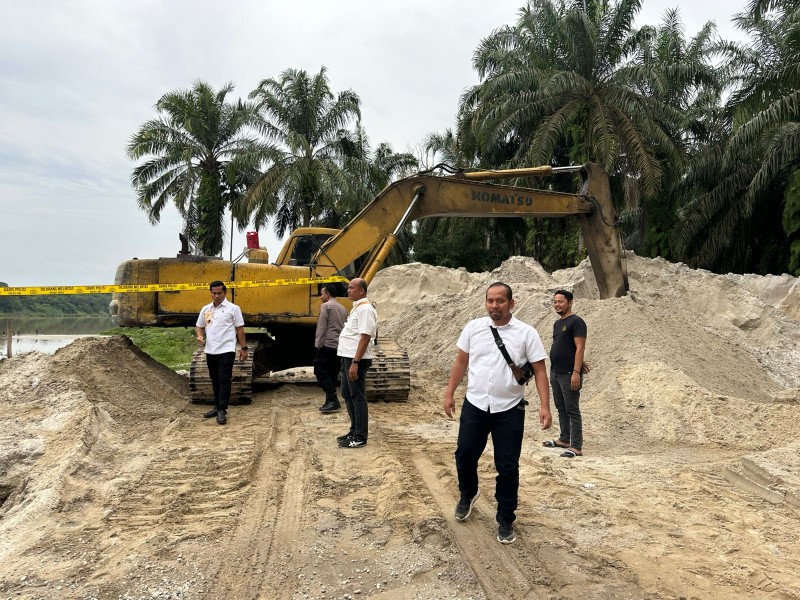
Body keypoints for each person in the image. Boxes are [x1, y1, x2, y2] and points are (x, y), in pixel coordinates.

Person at [443, 282, 551, 544]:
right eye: (490, 300)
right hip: (475, 405)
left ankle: (505, 518)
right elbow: (461, 362)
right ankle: (468, 493)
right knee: (465, 454)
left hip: (509, 410)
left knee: (507, 466)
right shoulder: (473, 328)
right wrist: (449, 393)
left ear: (511, 303)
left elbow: (539, 370)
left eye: (500, 301)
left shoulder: (527, 333)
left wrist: (545, 406)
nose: (494, 305)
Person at [195, 280, 248, 425]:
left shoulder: (233, 309)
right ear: (210, 293)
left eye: (219, 293)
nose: (216, 296)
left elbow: (240, 329)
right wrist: (200, 335)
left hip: (227, 349)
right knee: (215, 378)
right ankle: (217, 406)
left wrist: (244, 348)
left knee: (224, 378)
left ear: (225, 293)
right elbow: (199, 326)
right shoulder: (206, 309)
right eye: (214, 293)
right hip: (211, 350)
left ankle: (222, 410)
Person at [543, 289, 588, 458]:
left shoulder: (577, 322)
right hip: (555, 371)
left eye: (560, 301)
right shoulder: (557, 323)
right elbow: (566, 345)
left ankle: (576, 446)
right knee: (561, 407)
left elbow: (580, 347)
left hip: (569, 373)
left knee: (572, 409)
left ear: (570, 302)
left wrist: (576, 371)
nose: (557, 304)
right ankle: (564, 439)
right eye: (555, 301)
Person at [336, 277, 378, 449]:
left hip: (356, 359)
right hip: (348, 357)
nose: (348, 290)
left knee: (357, 396)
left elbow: (365, 336)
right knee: (347, 393)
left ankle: (360, 436)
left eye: (351, 288)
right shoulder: (357, 308)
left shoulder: (366, 309)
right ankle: (354, 430)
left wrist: (355, 362)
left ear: (361, 290)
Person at [315, 283, 348, 413]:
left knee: (319, 369)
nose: (320, 296)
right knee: (332, 372)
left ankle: (333, 399)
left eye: (322, 293)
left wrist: (318, 344)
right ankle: (329, 400)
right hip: (339, 345)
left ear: (328, 294)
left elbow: (322, 327)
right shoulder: (343, 308)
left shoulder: (326, 306)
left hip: (327, 344)